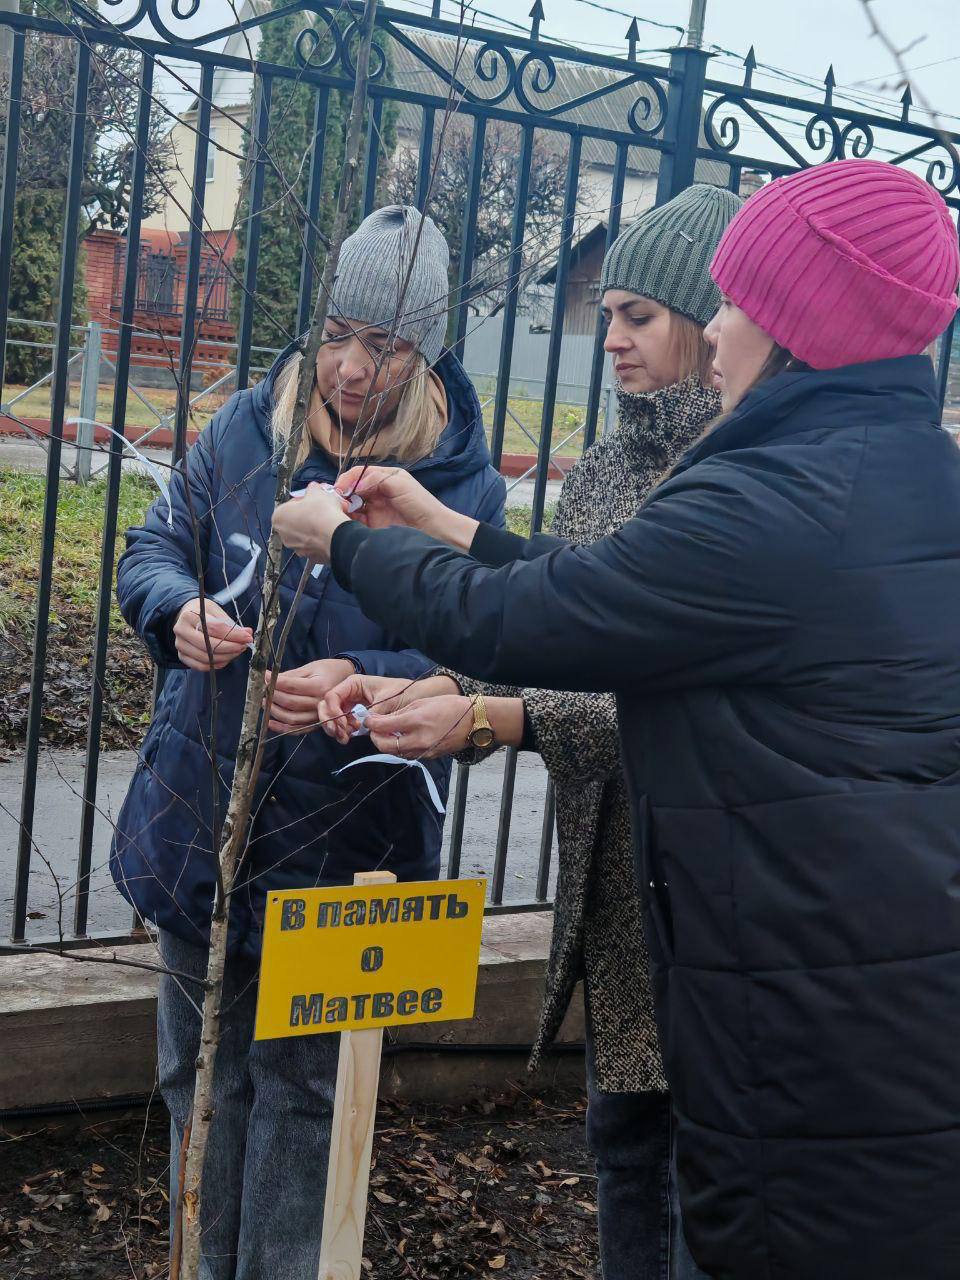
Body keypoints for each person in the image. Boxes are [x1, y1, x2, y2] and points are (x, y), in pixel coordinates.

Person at [274, 161, 960, 1280]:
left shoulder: (772, 497)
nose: (720, 322)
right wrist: (447, 522)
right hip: (869, 991)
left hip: (802, 1027)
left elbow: (551, 617)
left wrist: (347, 543)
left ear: (792, 319)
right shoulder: (899, 474)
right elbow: (624, 586)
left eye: (732, 300)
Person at [311, 184, 740, 1280]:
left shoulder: (730, 483)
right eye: (610, 316)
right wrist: (432, 528)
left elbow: (658, 683)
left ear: (712, 320)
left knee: (697, 1174)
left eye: (642, 316)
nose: (617, 340)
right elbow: (565, 600)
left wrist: (488, 717)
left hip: (697, 889)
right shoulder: (609, 461)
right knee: (621, 1143)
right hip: (610, 876)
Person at [112, 204, 506, 1280]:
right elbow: (153, 546)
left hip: (350, 842)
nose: (348, 365)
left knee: (302, 1090)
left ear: (425, 351)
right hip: (205, 817)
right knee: (201, 1073)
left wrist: (365, 681)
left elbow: (483, 666)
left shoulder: (460, 487)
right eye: (336, 332)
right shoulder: (245, 428)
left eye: (381, 345)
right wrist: (174, 608)